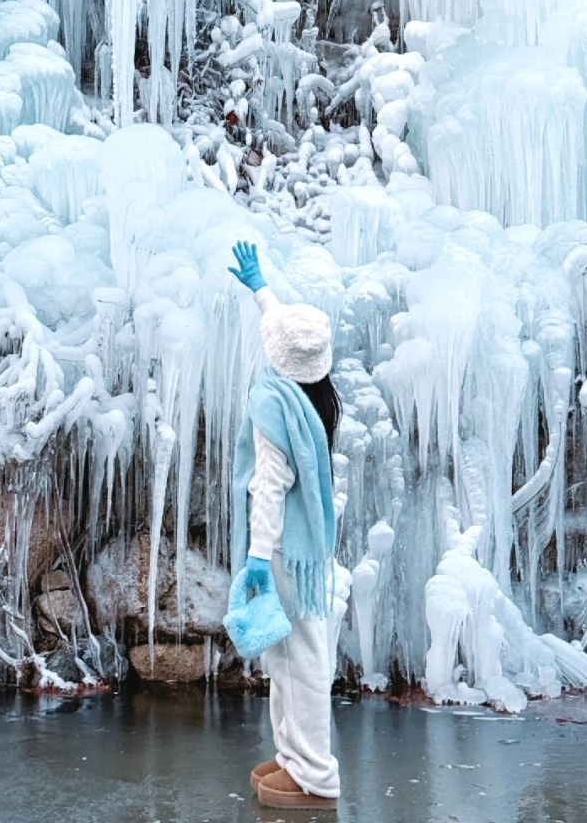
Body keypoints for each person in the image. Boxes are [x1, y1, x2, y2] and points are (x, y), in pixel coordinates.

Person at [228, 239, 341, 810]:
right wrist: (260, 287)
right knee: (284, 657)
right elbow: (285, 331)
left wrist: (256, 557)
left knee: (302, 661)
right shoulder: (310, 393)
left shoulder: (274, 406)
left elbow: (267, 487)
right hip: (301, 549)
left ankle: (317, 776)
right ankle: (292, 757)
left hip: (282, 550)